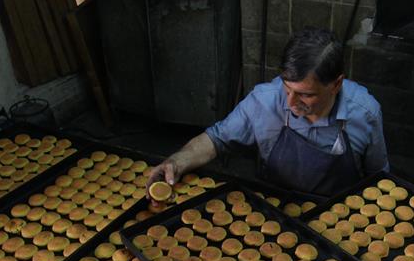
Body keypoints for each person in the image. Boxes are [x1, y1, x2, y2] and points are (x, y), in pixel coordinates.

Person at [147, 28, 388, 197]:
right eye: (287, 88)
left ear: (336, 85)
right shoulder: (264, 100)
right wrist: (177, 162)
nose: (291, 102)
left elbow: (379, 181)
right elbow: (216, 139)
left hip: (336, 223)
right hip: (272, 214)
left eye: (306, 94)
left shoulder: (365, 113)